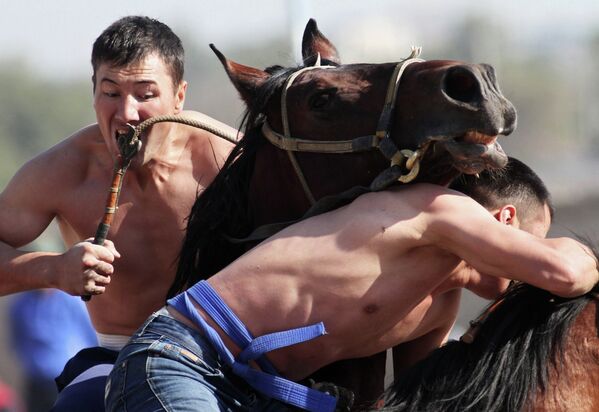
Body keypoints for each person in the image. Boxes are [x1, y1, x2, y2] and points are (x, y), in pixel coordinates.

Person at [104, 157, 599, 412]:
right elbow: (568, 275)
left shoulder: (441, 303)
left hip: (260, 396)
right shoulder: (437, 211)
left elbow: (415, 402)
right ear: (503, 220)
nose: (523, 279)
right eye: (538, 242)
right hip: (183, 361)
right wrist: (577, 250)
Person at [0, 16, 236, 411]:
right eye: (111, 93)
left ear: (179, 97)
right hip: (117, 356)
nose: (127, 112)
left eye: (145, 94)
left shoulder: (229, 160)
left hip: (227, 356)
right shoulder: (62, 171)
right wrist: (54, 269)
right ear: (93, 92)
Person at [8, 290, 97, 411]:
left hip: (70, 382)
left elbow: (92, 334)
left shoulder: (72, 300)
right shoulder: (21, 304)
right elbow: (18, 340)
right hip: (37, 384)